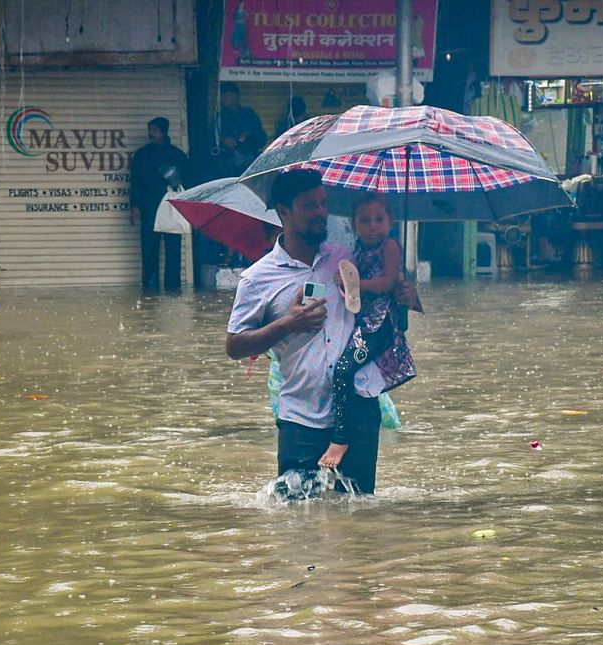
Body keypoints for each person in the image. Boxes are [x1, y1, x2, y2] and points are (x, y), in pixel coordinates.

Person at [225, 169, 419, 495]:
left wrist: (405, 298)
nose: (320, 213)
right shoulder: (257, 278)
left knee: (358, 516)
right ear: (283, 212)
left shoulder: (347, 259)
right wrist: (287, 323)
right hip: (300, 416)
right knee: (298, 524)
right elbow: (234, 346)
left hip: (357, 410)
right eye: (309, 206)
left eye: (323, 203)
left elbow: (384, 314)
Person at [319, 193, 415, 470]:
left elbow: (385, 283)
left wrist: (358, 284)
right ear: (354, 224)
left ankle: (341, 437)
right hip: (362, 323)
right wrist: (343, 281)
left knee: (343, 369)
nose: (372, 226)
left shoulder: (390, 246)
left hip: (380, 324)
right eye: (365, 220)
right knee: (341, 369)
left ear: (391, 221)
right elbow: (351, 289)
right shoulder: (355, 251)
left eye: (379, 219)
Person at [130, 117, 189, 291]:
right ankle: (149, 289)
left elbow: (188, 181)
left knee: (173, 251)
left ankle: (173, 289)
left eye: (154, 130)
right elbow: (136, 182)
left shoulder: (177, 155)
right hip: (149, 208)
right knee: (149, 251)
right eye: (150, 130)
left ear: (163, 131)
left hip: (172, 208)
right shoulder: (143, 154)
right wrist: (135, 207)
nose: (151, 134)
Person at [211, 82, 266, 178]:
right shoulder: (219, 117)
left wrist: (247, 137)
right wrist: (222, 141)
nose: (222, 99)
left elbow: (261, 138)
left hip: (248, 165)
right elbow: (210, 139)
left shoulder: (248, 114)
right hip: (226, 167)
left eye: (226, 96)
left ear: (235, 96)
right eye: (222, 96)